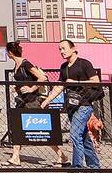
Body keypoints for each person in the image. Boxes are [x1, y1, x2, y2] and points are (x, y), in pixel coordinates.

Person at [4, 42, 65, 166]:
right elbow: (24, 81)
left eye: (7, 52)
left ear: (10, 53)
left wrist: (31, 88)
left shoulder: (26, 64)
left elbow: (42, 78)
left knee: (40, 130)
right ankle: (15, 157)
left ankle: (62, 156)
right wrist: (17, 88)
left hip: (32, 101)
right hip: (22, 100)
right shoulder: (17, 65)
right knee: (17, 128)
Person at [45, 39, 102, 169]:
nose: (61, 51)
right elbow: (60, 86)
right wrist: (48, 100)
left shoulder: (84, 64)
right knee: (83, 137)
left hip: (84, 105)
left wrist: (76, 82)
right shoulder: (64, 67)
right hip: (71, 106)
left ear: (73, 49)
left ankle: (77, 166)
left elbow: (96, 81)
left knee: (75, 134)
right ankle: (94, 166)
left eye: (64, 48)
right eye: (60, 49)